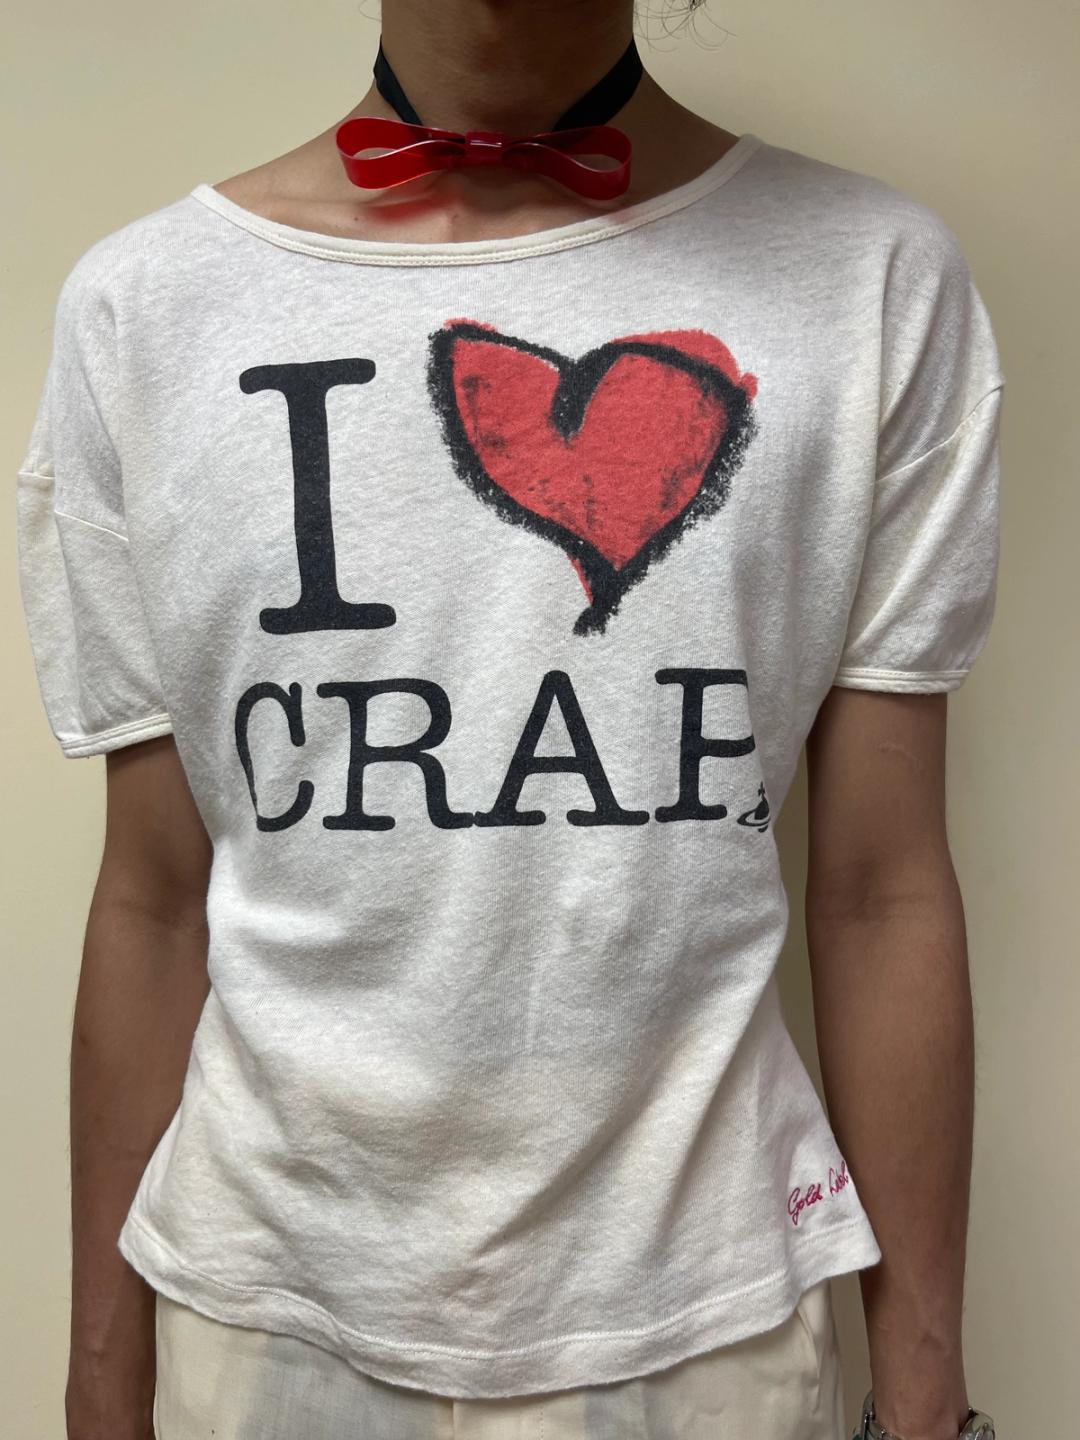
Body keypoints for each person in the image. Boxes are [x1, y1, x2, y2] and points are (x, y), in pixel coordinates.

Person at [16, 1, 1004, 1437]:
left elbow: (880, 891)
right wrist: (99, 1386)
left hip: (710, 1328)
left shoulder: (873, 279)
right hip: (259, 1315)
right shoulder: (144, 307)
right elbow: (155, 900)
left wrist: (927, 1403)